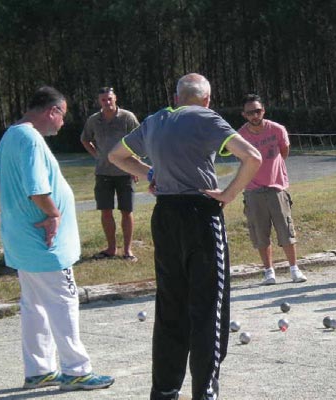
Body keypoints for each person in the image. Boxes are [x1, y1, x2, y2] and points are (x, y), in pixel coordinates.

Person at [108, 73, 262, 400]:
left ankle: (164, 391)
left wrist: (150, 173)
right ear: (206, 99)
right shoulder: (207, 118)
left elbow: (115, 157)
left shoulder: (155, 120)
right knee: (207, 309)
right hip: (200, 215)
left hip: (164, 216)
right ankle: (204, 392)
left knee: (170, 306)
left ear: (176, 98)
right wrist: (229, 194)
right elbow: (253, 157)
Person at [0, 87, 114, 391]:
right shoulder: (30, 139)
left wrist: (12, 203)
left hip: (23, 241)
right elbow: (36, 188)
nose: (62, 123)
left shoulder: (12, 134)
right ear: (52, 111)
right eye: (63, 116)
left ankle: (40, 369)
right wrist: (54, 214)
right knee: (63, 302)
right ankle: (76, 370)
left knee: (35, 305)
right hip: (44, 243)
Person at [238, 94, 307, 285]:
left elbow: (284, 151)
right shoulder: (240, 135)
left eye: (257, 111)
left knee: (286, 229)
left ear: (263, 111)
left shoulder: (277, 129)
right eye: (250, 112)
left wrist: (275, 172)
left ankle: (294, 269)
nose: (254, 115)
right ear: (244, 115)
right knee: (260, 233)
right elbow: (243, 160)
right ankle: (269, 272)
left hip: (276, 188)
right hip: (253, 191)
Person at [81, 87, 140, 261]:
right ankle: (111, 248)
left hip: (125, 172)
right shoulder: (94, 120)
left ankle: (128, 250)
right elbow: (85, 139)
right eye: (103, 100)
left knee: (126, 211)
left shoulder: (127, 118)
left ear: (115, 98)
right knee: (105, 211)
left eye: (109, 99)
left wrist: (134, 165)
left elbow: (139, 139)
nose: (107, 103)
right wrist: (97, 155)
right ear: (99, 102)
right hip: (103, 173)